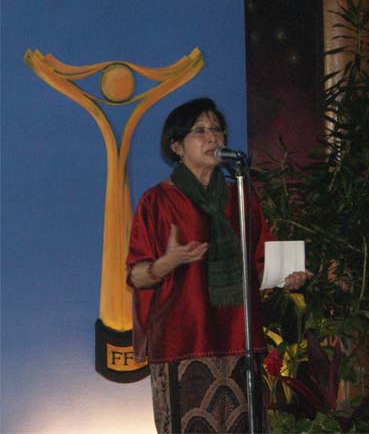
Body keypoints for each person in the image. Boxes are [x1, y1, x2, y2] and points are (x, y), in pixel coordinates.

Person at [126, 98, 312, 433]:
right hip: (182, 344)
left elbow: (259, 266)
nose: (212, 137)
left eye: (217, 129)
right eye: (200, 130)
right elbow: (136, 276)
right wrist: (167, 262)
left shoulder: (240, 197)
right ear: (177, 147)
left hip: (238, 340)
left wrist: (286, 278)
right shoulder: (157, 201)